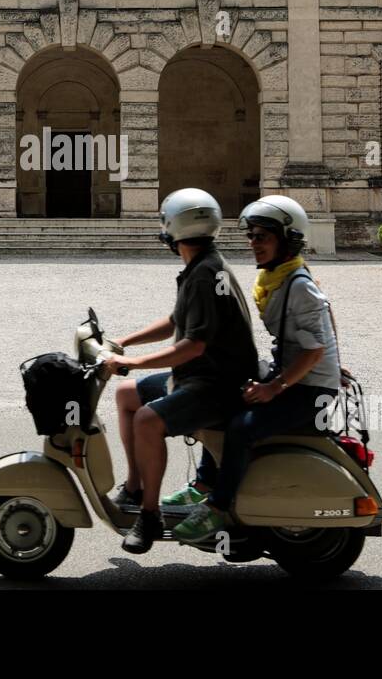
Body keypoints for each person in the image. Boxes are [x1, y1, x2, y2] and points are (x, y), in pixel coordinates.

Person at [171, 195, 341, 543]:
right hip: (296, 374)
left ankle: (218, 507)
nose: (253, 244)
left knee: (240, 426)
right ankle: (205, 481)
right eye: (251, 236)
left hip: (310, 389)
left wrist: (273, 387)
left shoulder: (298, 285)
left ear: (287, 239)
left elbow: (313, 351)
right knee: (225, 393)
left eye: (262, 236)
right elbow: (328, 316)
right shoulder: (282, 277)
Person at [106, 188, 259, 554]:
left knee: (146, 420)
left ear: (171, 226)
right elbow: (177, 321)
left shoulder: (206, 274)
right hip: (200, 376)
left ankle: (149, 515)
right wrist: (124, 341)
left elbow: (194, 345)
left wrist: (133, 362)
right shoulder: (204, 266)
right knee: (126, 394)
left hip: (216, 385)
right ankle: (134, 486)